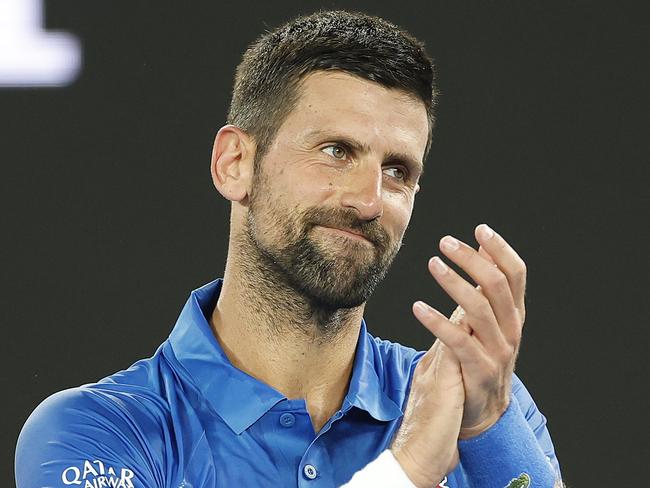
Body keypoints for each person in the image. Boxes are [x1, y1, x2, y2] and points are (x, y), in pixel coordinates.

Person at [15, 10, 563, 488]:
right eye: (335, 150)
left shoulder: (477, 403)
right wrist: (407, 470)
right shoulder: (99, 434)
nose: (369, 201)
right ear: (235, 165)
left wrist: (488, 427)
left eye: (397, 171)